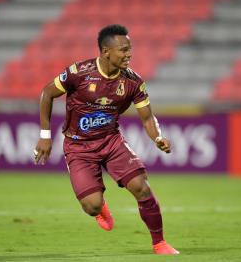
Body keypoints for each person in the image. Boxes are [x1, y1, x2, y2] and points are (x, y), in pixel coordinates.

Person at [34, 24, 179, 255]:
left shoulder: (133, 82)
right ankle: (101, 208)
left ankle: (159, 243)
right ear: (105, 51)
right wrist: (44, 135)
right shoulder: (79, 73)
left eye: (129, 49)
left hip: (111, 141)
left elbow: (147, 117)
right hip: (78, 146)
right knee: (91, 206)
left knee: (141, 188)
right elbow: (47, 93)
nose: (129, 54)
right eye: (123, 50)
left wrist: (158, 138)